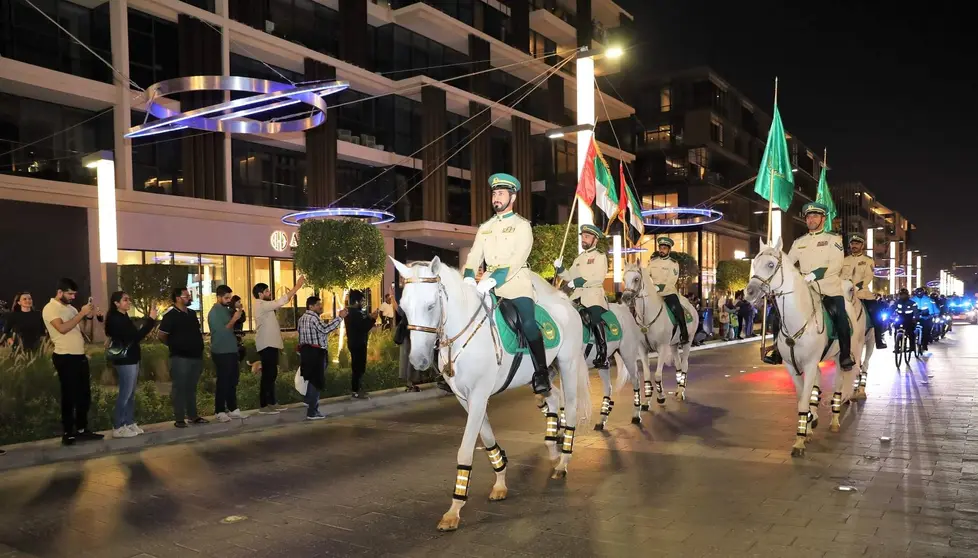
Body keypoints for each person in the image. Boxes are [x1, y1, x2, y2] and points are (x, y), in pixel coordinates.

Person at [463, 173, 549, 395]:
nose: (496, 197)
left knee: (528, 323)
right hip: (487, 286)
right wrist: (468, 279)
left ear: (513, 197)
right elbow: (474, 256)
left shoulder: (522, 226)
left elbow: (517, 258)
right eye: (494, 193)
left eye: (500, 193)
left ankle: (542, 372)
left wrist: (494, 279)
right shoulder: (486, 227)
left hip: (516, 284)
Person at [42, 278, 103, 446]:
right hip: (65, 356)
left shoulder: (71, 308)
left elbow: (82, 331)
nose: (73, 297)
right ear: (60, 292)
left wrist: (89, 317)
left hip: (79, 355)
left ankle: (82, 429)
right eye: (69, 294)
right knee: (69, 395)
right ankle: (68, 432)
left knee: (84, 395)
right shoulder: (50, 308)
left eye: (74, 294)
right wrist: (81, 314)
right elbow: (62, 329)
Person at [555, 224, 610, 368]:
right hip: (577, 297)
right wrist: (560, 268)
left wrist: (577, 282)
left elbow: (598, 277)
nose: (583, 239)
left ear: (595, 239)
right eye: (582, 237)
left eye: (587, 237)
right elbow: (569, 276)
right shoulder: (579, 258)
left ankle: (603, 354)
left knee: (594, 318)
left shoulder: (600, 256)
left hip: (593, 296)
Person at [104, 291, 158, 438]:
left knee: (131, 394)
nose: (128, 302)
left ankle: (128, 422)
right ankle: (119, 426)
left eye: (129, 299)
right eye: (125, 300)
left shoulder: (123, 316)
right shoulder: (116, 319)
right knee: (125, 393)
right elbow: (135, 337)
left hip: (131, 358)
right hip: (125, 359)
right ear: (116, 303)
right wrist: (151, 320)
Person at [252, 278, 306, 414]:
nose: (269, 292)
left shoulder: (264, 305)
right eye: (267, 291)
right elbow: (281, 301)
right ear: (260, 294)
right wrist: (297, 287)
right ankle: (264, 405)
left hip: (271, 344)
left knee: (272, 374)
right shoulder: (261, 304)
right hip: (266, 345)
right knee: (268, 375)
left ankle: (272, 402)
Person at [159, 287, 208, 428]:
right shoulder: (170, 315)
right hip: (180, 358)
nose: (189, 298)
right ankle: (179, 418)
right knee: (179, 388)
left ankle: (193, 416)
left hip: (196, 356)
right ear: (178, 298)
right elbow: (161, 335)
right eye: (186, 296)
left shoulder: (191, 313)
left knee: (191, 388)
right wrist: (174, 345)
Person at [297, 297, 347, 420]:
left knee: (310, 378)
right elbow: (325, 330)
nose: (321, 306)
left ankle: (309, 401)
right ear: (310, 306)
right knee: (316, 381)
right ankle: (312, 412)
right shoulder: (313, 318)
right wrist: (340, 317)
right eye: (318, 305)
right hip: (316, 352)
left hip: (306, 352)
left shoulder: (301, 319)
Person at [841, 234, 887, 349]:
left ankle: (879, 339)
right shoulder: (844, 260)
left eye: (857, 244)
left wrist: (856, 287)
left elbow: (868, 277)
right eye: (852, 243)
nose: (854, 246)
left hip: (863, 294)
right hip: (845, 293)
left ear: (862, 245)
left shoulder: (868, 260)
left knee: (876, 315)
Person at [209, 285, 245, 422]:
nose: (229, 300)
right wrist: (234, 318)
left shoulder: (226, 310)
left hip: (231, 349)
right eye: (226, 298)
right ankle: (219, 410)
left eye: (230, 297)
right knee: (223, 381)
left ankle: (233, 408)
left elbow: (236, 324)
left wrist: (239, 311)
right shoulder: (214, 312)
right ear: (218, 297)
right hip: (221, 350)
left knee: (232, 380)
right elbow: (223, 330)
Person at [647, 237, 689, 345]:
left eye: (664, 248)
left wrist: (659, 287)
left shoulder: (673, 263)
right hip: (654, 293)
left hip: (668, 293)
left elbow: (672, 280)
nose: (662, 250)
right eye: (661, 248)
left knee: (678, 310)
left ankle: (684, 334)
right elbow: (647, 276)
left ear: (669, 250)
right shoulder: (653, 262)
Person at [345, 290, 379, 399]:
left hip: (354, 343)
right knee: (358, 368)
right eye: (362, 301)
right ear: (356, 301)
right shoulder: (354, 313)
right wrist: (373, 318)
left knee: (358, 367)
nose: (363, 303)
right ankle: (356, 391)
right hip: (358, 344)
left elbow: (361, 323)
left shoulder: (351, 312)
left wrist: (369, 317)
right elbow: (364, 327)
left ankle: (357, 389)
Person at [911, 287, 938, 352]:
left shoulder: (929, 299)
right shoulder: (912, 299)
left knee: (926, 331)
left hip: (926, 317)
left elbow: (933, 308)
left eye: (921, 293)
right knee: (910, 330)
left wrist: (935, 313)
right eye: (918, 293)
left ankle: (925, 344)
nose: (919, 294)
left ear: (923, 293)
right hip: (915, 317)